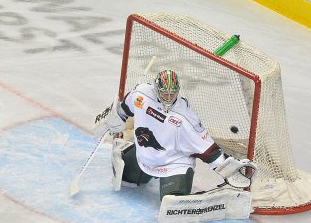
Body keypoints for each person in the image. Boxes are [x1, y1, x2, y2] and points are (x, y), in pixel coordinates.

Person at [100, 69, 257, 202]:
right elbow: (125, 106)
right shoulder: (142, 94)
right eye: (165, 93)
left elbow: (208, 149)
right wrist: (116, 116)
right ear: (156, 89)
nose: (169, 98)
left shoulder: (185, 116)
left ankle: (178, 184)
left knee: (173, 201)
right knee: (125, 180)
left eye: (173, 93)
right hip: (145, 156)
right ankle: (135, 162)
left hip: (174, 163)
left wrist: (227, 168)